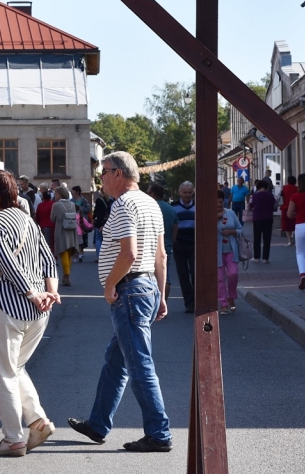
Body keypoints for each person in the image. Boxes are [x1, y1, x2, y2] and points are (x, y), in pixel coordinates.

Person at [69, 151, 171, 453]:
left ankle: (159, 432)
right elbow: (160, 256)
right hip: (146, 288)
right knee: (117, 360)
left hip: (130, 290)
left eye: (104, 172)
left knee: (139, 364)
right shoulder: (150, 203)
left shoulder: (124, 205)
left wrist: (110, 284)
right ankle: (98, 423)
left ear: (119, 174)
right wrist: (161, 296)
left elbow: (130, 254)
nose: (100, 178)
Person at [0, 169, 60, 457]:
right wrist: (50, 291)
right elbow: (48, 259)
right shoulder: (27, 220)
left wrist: (32, 292)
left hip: (8, 307)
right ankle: (38, 422)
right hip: (37, 311)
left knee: (3, 375)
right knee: (15, 369)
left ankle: (13, 439)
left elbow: (7, 263)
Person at [147, 183, 176, 303]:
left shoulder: (148, 207)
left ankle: (152, 303)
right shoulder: (171, 209)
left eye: (148, 193)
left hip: (149, 247)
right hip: (166, 245)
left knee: (149, 276)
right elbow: (175, 228)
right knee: (165, 276)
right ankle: (163, 302)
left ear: (153, 194)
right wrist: (171, 243)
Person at [171, 181, 196, 313]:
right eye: (185, 192)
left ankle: (197, 300)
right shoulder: (173, 207)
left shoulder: (199, 205)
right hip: (179, 244)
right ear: (180, 192)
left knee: (195, 273)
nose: (187, 195)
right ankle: (189, 303)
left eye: (190, 192)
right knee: (183, 275)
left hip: (194, 244)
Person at [216, 191, 241, 313]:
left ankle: (231, 297)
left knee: (233, 274)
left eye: (221, 201)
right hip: (217, 252)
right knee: (219, 279)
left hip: (231, 250)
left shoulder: (230, 213)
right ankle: (223, 303)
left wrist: (231, 232)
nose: (219, 204)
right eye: (216, 202)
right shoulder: (208, 216)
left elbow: (240, 229)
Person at [50, 186, 78, 286]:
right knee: (69, 253)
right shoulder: (72, 204)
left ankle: (66, 276)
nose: (54, 195)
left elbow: (52, 218)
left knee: (63, 253)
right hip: (72, 230)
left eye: (56, 193)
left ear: (60, 194)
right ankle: (67, 275)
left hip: (61, 230)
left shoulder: (56, 205)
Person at [250, 179, 276, 264]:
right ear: (266, 187)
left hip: (257, 218)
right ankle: (265, 258)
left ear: (257, 187)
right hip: (268, 218)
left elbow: (250, 206)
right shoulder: (270, 196)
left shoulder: (254, 196)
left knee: (257, 238)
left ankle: (256, 257)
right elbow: (274, 207)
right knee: (267, 238)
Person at [279, 175, 298, 246]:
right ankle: (295, 237)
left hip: (285, 208)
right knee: (295, 224)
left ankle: (289, 240)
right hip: (295, 208)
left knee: (287, 225)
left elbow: (279, 197)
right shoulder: (297, 189)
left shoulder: (284, 188)